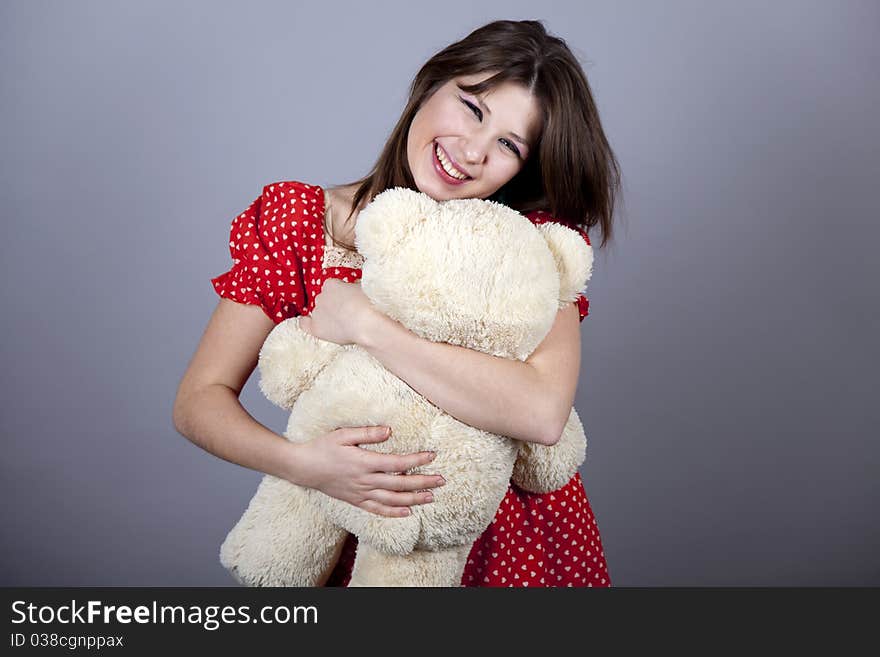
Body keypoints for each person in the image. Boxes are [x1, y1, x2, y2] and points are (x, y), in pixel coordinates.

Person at [173, 19, 620, 587]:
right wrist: (305, 466)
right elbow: (198, 400)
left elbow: (542, 413)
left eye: (509, 144)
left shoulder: (526, 247)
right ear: (429, 85)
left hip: (517, 551)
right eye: (472, 108)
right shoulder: (302, 221)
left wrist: (366, 325)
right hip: (363, 535)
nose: (473, 151)